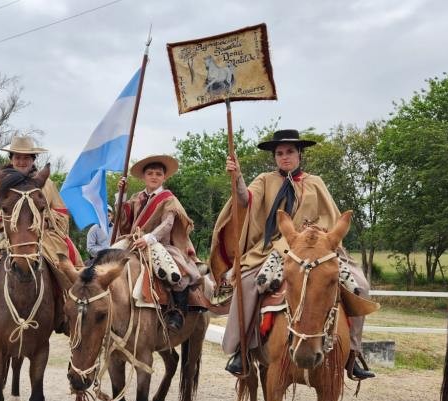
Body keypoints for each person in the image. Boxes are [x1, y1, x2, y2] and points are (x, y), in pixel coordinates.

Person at [210, 129, 374, 379]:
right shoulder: (265, 179)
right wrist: (238, 176)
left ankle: (352, 352)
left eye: (289, 152)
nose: (284, 157)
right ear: (274, 157)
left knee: (359, 284)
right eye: (279, 153)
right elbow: (246, 199)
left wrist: (316, 237)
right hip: (274, 247)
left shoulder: (315, 182)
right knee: (247, 282)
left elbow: (331, 216)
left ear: (300, 154)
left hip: (315, 247)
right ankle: (242, 351)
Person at [0, 135, 81, 339]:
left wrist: (45, 218)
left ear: (33, 159)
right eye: (17, 157)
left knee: (70, 259)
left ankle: (70, 314)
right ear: (11, 157)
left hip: (39, 233)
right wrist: (9, 218)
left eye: (26, 157)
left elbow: (59, 213)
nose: (21, 161)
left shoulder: (45, 182)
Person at [116, 155, 202, 331]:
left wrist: (149, 238)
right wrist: (122, 196)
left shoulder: (168, 198)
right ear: (144, 177)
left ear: (164, 177)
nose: (154, 176)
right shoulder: (136, 198)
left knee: (177, 271)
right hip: (133, 241)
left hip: (160, 244)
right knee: (106, 258)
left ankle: (177, 312)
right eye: (150, 173)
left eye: (158, 174)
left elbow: (168, 223)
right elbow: (124, 221)